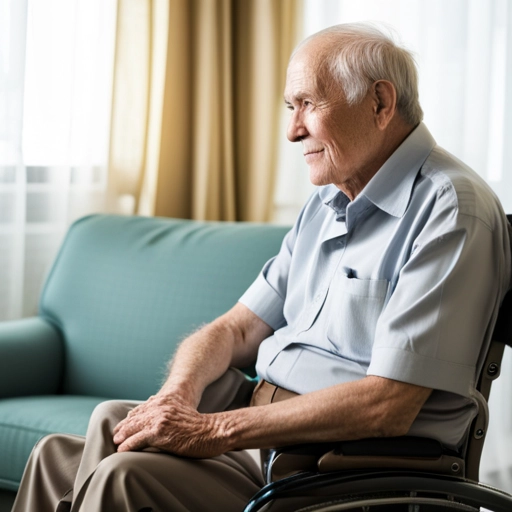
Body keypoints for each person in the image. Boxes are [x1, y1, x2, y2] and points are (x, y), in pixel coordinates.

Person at [12, 22, 511, 512]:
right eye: (290, 108)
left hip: (338, 467)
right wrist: (175, 398)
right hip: (264, 434)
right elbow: (237, 328)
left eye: (308, 105)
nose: (292, 130)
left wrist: (213, 431)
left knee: (123, 476)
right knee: (65, 450)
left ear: (380, 103)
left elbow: (389, 403)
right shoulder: (326, 203)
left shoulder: (451, 210)